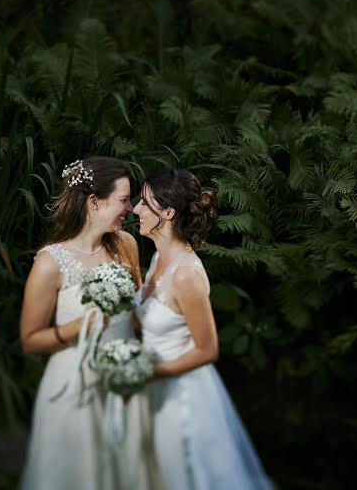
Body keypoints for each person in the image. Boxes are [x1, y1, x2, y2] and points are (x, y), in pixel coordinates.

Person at [19, 156, 162, 490]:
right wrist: (82, 325)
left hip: (125, 383)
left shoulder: (125, 246)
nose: (130, 208)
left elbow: (138, 316)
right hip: (76, 386)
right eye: (124, 199)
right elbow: (30, 339)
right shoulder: (50, 262)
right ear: (95, 202)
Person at [133, 168, 272, 489]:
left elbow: (208, 349)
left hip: (181, 401)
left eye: (143, 203)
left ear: (167, 213)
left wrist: (150, 372)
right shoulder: (157, 259)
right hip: (152, 392)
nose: (136, 210)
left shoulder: (186, 275)